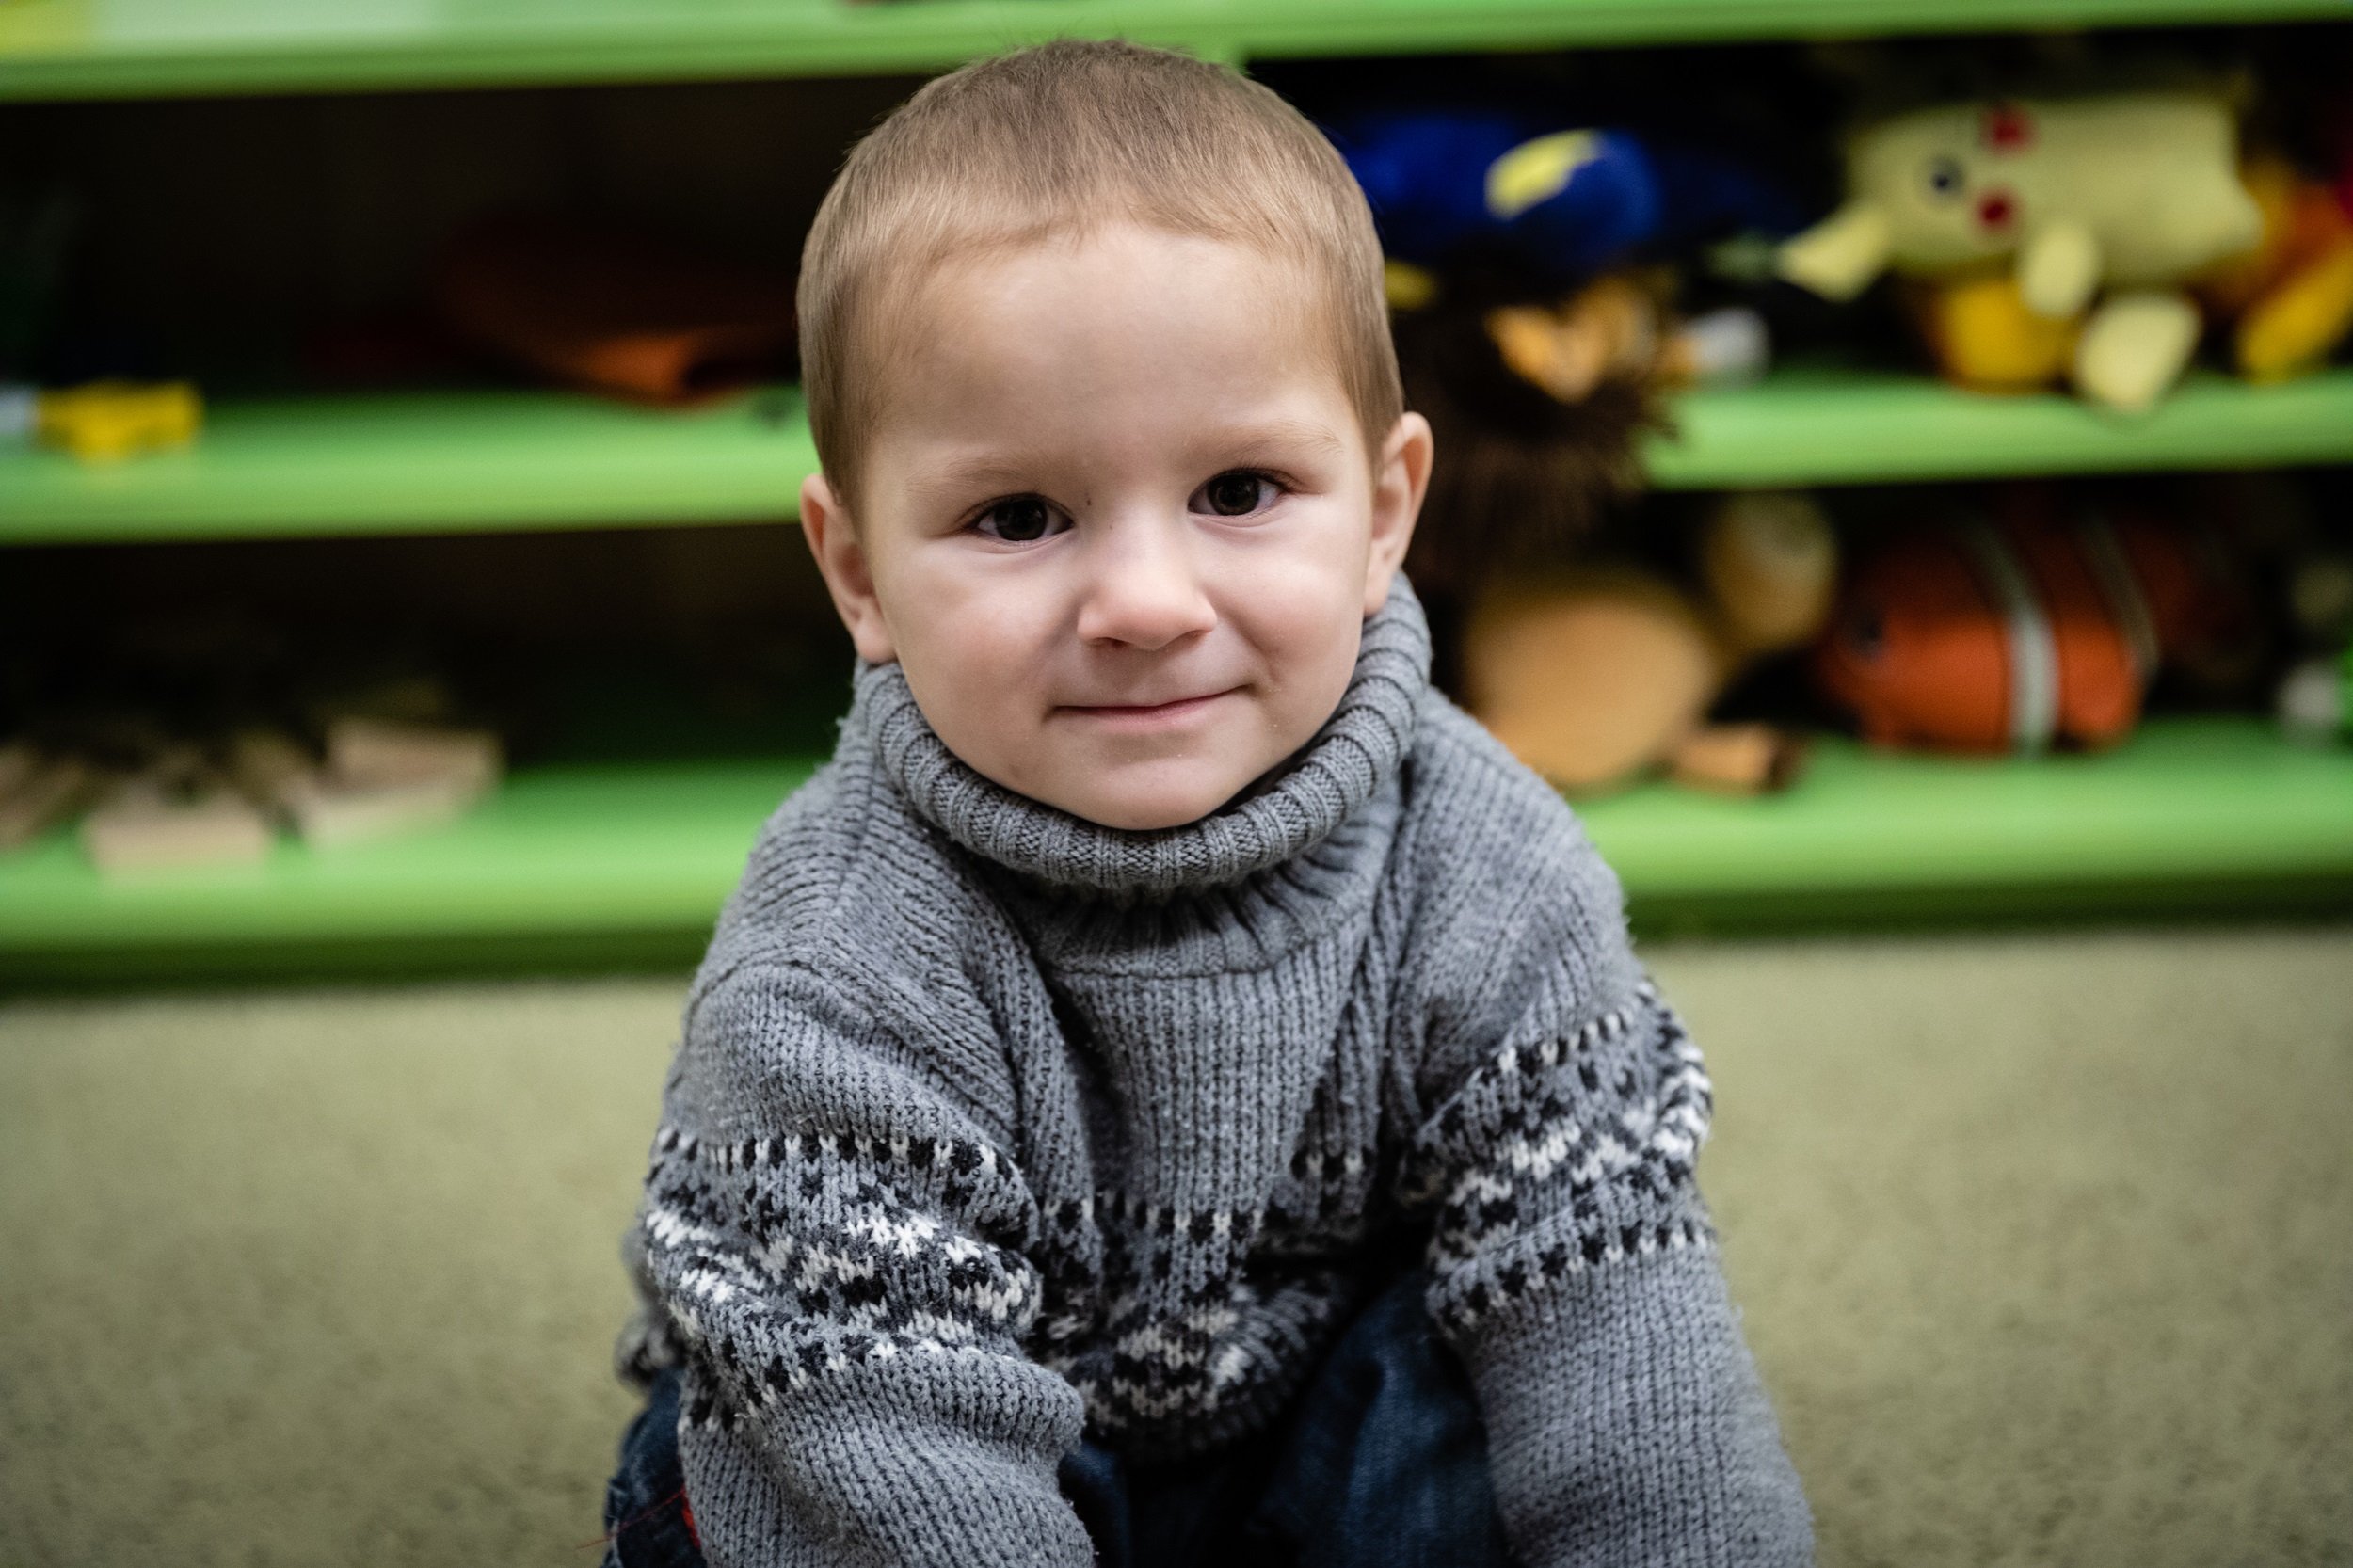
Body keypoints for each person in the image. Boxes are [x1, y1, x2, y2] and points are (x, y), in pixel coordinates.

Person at [604, 38, 1812, 1568]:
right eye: (1019, 515)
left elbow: (1608, 1286)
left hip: (1303, 1419)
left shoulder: (1490, 862)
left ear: (1384, 514)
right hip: (907, 1424)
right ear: (860, 573)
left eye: (1238, 491)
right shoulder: (836, 969)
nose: (1146, 603)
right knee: (745, 1493)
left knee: (1518, 1369)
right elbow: (892, 1454)